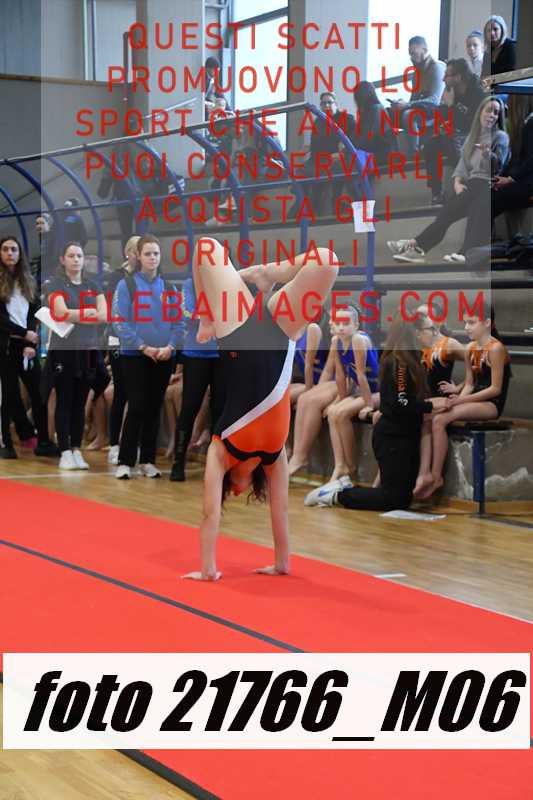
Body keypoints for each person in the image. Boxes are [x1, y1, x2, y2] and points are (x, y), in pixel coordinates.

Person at [183, 237, 339, 580]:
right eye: (238, 493)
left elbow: (209, 514)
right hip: (281, 332)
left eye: (231, 493)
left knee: (205, 246)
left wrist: (208, 570)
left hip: (235, 330)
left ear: (232, 487)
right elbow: (280, 511)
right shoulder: (275, 456)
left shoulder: (221, 449)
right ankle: (267, 274)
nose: (236, 492)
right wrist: (282, 565)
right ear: (246, 487)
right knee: (327, 261)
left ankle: (213, 311)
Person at [304, 317, 450, 510]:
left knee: (401, 499)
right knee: (391, 499)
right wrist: (430, 405)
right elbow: (400, 402)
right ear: (415, 333)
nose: (434, 333)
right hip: (393, 437)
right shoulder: (400, 363)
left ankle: (344, 490)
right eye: (430, 329)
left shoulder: (412, 359)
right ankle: (337, 494)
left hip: (405, 434)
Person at [387, 96, 509, 264]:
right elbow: (463, 164)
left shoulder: (500, 137)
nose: (492, 115)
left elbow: (498, 165)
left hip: (488, 184)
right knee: (446, 214)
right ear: (480, 112)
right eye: (489, 110)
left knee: (471, 210)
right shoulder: (473, 137)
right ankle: (418, 247)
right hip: (473, 185)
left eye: (496, 112)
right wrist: (457, 182)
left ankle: (422, 246)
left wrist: (488, 154)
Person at [112, 234, 183, 479]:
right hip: (135, 356)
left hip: (163, 356)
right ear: (138, 256)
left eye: (156, 253)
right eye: (148, 253)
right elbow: (120, 322)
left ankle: (148, 460)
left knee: (154, 407)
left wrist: (170, 347)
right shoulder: (127, 285)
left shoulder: (170, 288)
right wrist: (143, 347)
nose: (152, 258)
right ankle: (125, 460)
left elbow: (179, 324)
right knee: (137, 405)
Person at [424, 308, 511, 498]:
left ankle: (436, 476)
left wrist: (460, 400)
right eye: (465, 322)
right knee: (430, 415)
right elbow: (470, 384)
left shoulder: (496, 348)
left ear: (487, 323)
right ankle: (424, 472)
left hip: (491, 404)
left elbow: (495, 389)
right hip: (474, 398)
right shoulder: (471, 347)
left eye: (471, 322)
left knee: (440, 419)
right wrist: (456, 399)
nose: (466, 327)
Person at [45, 242, 107, 470]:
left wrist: (77, 315)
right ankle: (64, 450)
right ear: (63, 259)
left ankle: (75, 448)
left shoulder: (93, 285)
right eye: (71, 256)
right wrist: (87, 313)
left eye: (79, 255)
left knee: (80, 402)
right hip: (65, 349)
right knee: (65, 399)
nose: (76, 260)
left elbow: (103, 315)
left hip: (88, 350)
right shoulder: (56, 284)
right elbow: (60, 312)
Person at [0, 236, 58, 458]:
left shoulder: (28, 281)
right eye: (5, 249)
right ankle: (6, 443)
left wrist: (30, 341)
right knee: (8, 395)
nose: (10, 253)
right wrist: (24, 334)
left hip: (26, 346)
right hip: (6, 346)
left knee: (39, 392)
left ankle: (44, 441)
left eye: (14, 249)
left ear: (19, 253)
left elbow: (34, 314)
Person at [169, 277, 222, 482]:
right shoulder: (191, 284)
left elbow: (237, 312)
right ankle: (178, 461)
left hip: (222, 355)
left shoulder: (227, 280)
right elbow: (187, 312)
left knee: (220, 409)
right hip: (196, 354)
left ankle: (217, 464)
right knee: (189, 407)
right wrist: (214, 316)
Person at [323, 306, 379, 485]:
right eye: (337, 323)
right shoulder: (336, 341)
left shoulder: (358, 339)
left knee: (341, 414)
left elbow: (361, 375)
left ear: (356, 325)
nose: (341, 327)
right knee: (333, 413)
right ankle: (339, 465)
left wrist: (369, 405)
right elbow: (341, 374)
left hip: (377, 391)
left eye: (346, 323)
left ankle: (351, 467)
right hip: (361, 391)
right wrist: (340, 399)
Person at [413, 304, 464, 497]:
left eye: (426, 315)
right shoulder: (418, 342)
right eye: (420, 315)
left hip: (440, 398)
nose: (422, 318)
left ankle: (427, 473)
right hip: (423, 397)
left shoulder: (449, 344)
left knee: (426, 419)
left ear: (439, 320)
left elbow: (478, 367)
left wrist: (458, 389)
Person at [423, 59, 485, 204]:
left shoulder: (478, 93)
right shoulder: (451, 92)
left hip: (475, 137)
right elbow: (446, 118)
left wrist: (451, 106)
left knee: (449, 141)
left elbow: (470, 124)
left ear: (458, 77)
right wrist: (445, 107)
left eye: (447, 75)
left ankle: (465, 188)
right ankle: (436, 193)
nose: (443, 79)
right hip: (457, 136)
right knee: (431, 145)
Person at [287, 312, 341, 475]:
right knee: (279, 398)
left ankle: (300, 456)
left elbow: (347, 375)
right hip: (319, 381)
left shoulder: (314, 329)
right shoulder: (295, 329)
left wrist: (313, 390)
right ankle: (286, 449)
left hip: (336, 384)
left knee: (307, 400)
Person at [106, 235, 140, 465]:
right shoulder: (117, 277)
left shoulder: (148, 276)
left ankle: (133, 442)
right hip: (118, 340)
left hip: (141, 341)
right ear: (128, 252)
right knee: (121, 392)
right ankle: (114, 444)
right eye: (136, 251)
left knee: (138, 395)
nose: (140, 255)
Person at [389, 36, 445, 154]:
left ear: (424, 50)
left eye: (414, 53)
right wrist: (400, 104)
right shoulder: (416, 74)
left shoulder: (437, 67)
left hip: (436, 110)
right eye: (410, 54)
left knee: (409, 115)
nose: (411, 58)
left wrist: (407, 105)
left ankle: (415, 154)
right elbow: (413, 99)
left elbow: (435, 100)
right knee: (388, 113)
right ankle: (391, 153)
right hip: (421, 108)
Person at [290, 306, 331, 405]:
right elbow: (290, 365)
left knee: (284, 398)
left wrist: (308, 393)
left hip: (318, 382)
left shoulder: (313, 329)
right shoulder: (296, 331)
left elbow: (309, 365)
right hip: (306, 381)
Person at [352, 81, 393, 165]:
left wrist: (350, 148)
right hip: (376, 152)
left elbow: (368, 136)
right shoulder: (374, 109)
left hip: (379, 154)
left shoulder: (374, 110)